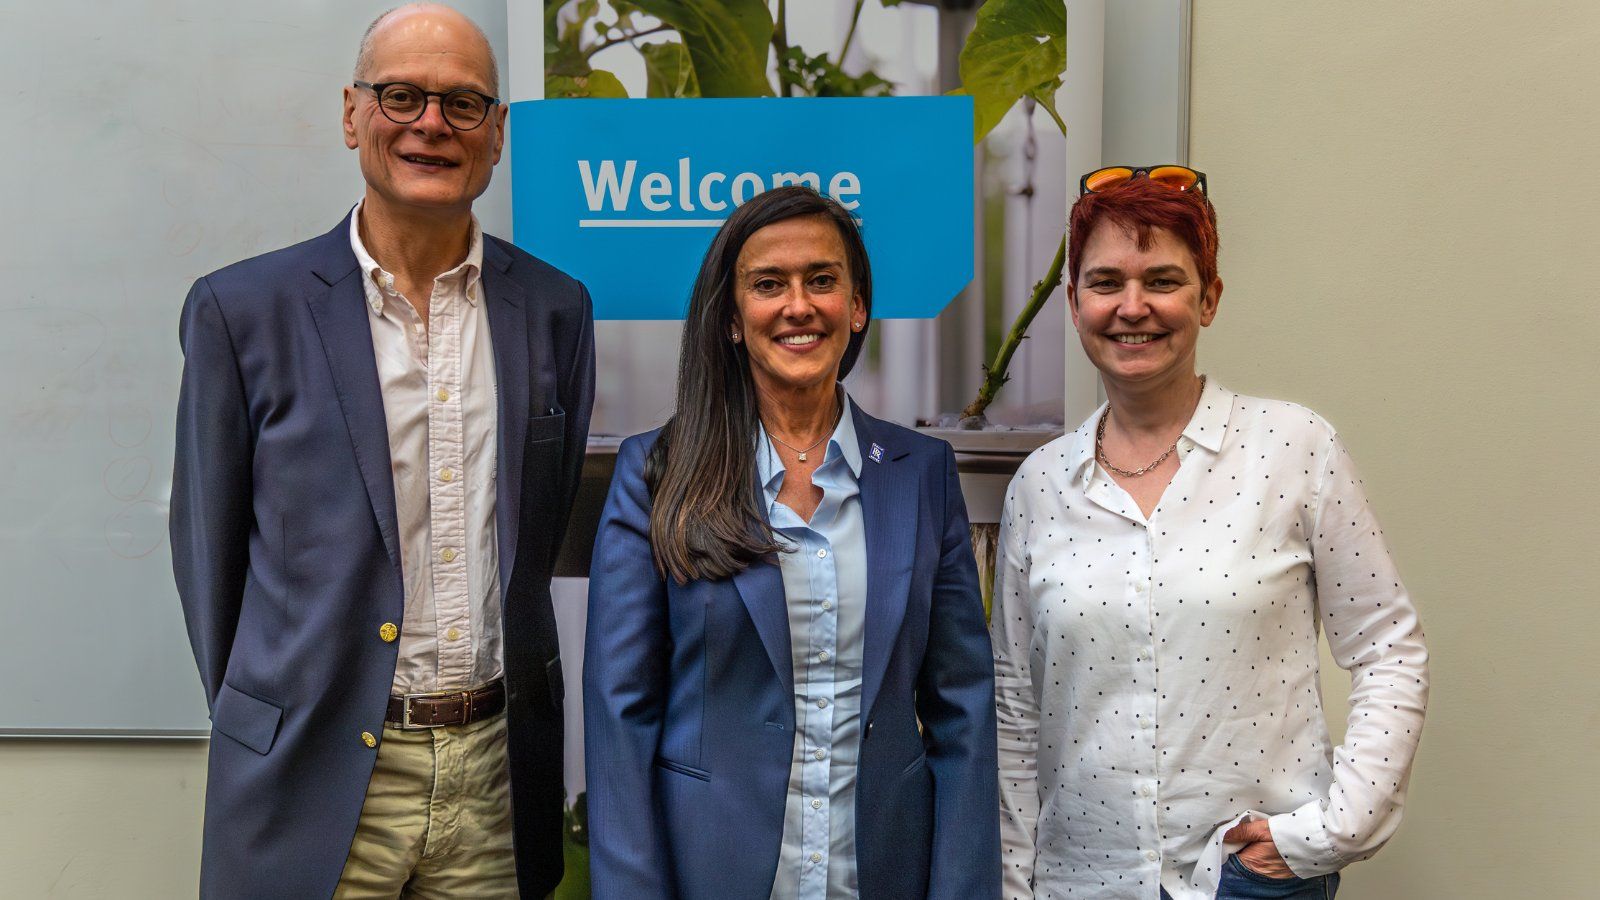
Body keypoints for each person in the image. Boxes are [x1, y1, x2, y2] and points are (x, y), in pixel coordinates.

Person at [169, 5, 594, 897]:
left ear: (498, 135)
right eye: (401, 95)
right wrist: (277, 716)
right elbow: (210, 563)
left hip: (492, 781)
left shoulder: (556, 311)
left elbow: (540, 522)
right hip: (313, 774)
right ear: (354, 112)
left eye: (463, 104)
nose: (431, 123)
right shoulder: (241, 313)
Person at [990, 167, 1429, 900]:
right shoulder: (1040, 485)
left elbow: (1390, 646)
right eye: (1105, 283)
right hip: (1079, 881)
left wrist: (1334, 831)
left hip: (1245, 881)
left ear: (1210, 297)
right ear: (1073, 304)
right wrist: (1013, 878)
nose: (1133, 307)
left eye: (1162, 279)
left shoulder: (1294, 448)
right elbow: (1015, 707)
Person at [583, 185, 1000, 900]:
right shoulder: (657, 472)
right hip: (709, 875)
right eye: (768, 285)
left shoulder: (921, 476)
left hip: (879, 875)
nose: (798, 306)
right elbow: (620, 717)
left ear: (858, 306)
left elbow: (963, 708)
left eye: (823, 281)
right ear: (735, 319)